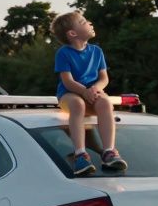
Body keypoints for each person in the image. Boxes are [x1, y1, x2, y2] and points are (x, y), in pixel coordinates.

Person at [51, 11, 127, 175]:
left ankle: (109, 152)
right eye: (84, 21)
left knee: (105, 102)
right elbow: (67, 81)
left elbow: (104, 78)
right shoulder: (63, 53)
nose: (90, 23)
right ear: (72, 33)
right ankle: (80, 154)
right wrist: (84, 92)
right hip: (69, 94)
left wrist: (95, 89)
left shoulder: (97, 51)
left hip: (92, 93)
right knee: (77, 104)